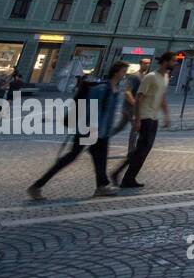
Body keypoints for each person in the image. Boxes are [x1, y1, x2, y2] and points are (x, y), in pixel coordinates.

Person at [28, 61, 126, 200]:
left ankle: (102, 185)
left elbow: (108, 114)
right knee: (72, 157)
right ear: (116, 72)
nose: (125, 74)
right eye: (123, 71)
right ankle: (37, 186)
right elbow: (89, 109)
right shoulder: (102, 89)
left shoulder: (115, 90)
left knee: (99, 157)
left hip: (102, 132)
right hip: (90, 130)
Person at [111, 52, 174, 189]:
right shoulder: (150, 77)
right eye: (173, 61)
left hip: (154, 117)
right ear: (165, 62)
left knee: (143, 149)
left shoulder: (166, 77)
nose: (175, 63)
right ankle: (126, 178)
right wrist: (138, 119)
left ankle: (122, 175)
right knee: (141, 149)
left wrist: (166, 115)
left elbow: (162, 96)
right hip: (144, 116)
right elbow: (137, 97)